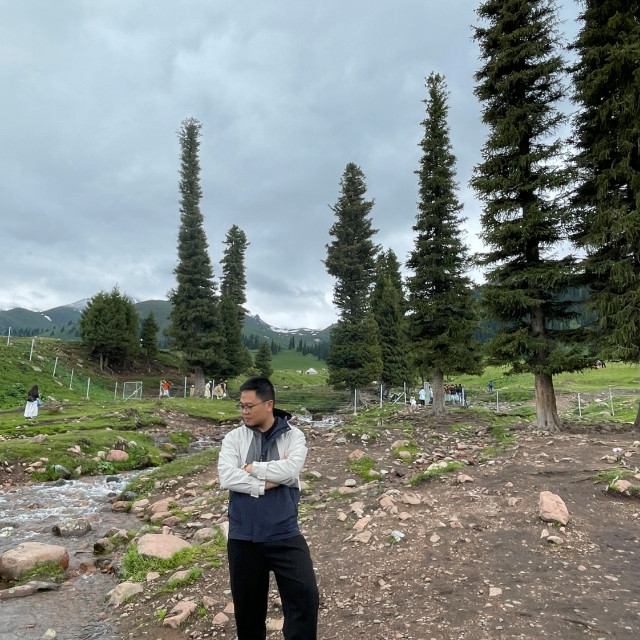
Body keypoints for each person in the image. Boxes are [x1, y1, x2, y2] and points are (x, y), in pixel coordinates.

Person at [218, 376, 319, 640]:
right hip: (243, 538)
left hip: (285, 533)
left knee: (305, 599)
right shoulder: (233, 438)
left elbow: (291, 470)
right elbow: (227, 477)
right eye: (241, 406)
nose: (244, 411)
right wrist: (267, 483)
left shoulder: (294, 436)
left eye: (249, 406)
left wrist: (251, 468)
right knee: (248, 615)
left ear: (269, 404)